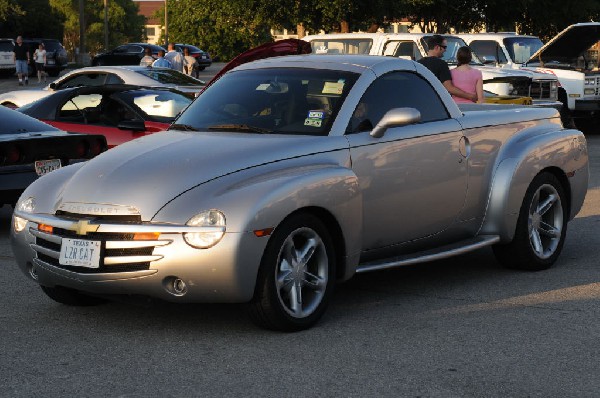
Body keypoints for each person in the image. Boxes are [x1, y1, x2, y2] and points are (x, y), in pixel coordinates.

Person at [418, 35, 477, 102]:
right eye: (444, 47)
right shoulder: (441, 64)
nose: (445, 50)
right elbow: (449, 87)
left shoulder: (418, 63)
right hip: (435, 102)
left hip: (421, 101)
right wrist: (470, 96)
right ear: (437, 47)